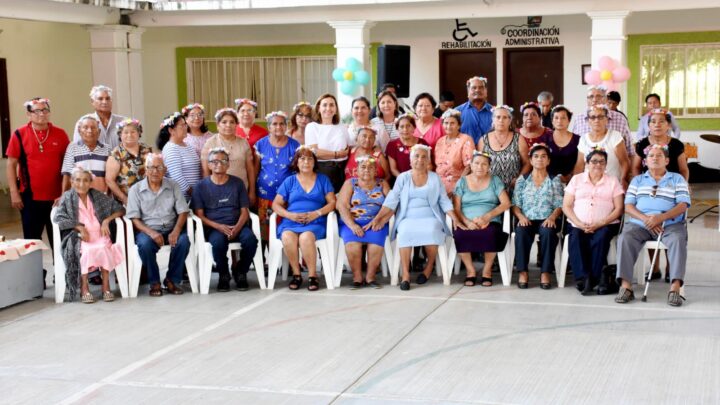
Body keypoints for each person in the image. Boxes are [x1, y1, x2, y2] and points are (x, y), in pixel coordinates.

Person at [366, 144, 461, 291]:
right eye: (417, 156)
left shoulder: (435, 178)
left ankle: (428, 268)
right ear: (411, 160)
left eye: (424, 157)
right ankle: (405, 275)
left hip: (431, 215)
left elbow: (443, 200)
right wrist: (378, 217)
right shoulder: (403, 177)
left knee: (432, 230)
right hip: (408, 216)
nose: (420, 160)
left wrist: (454, 217)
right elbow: (392, 200)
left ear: (428, 160)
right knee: (404, 231)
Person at [614, 144, 690, 307]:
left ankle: (675, 288)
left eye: (659, 156)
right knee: (625, 238)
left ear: (667, 160)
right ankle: (626, 287)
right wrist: (646, 219)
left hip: (670, 224)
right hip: (640, 223)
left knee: (678, 239)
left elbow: (683, 204)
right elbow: (628, 206)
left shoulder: (677, 179)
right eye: (651, 156)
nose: (655, 158)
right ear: (645, 161)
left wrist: (661, 217)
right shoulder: (637, 180)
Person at [6, 98, 69, 279]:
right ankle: (34, 278)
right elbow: (11, 164)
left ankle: (62, 274)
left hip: (57, 198)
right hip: (29, 197)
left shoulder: (60, 134)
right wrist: (14, 192)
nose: (41, 114)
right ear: (28, 114)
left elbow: (68, 164)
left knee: (59, 238)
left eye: (45, 110)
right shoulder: (19, 134)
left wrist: (65, 193)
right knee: (32, 241)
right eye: (36, 111)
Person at [54, 167, 125, 303]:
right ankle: (84, 288)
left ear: (90, 182)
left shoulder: (96, 195)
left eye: (86, 180)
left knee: (104, 247)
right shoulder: (67, 197)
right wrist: (79, 227)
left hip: (99, 235)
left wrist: (106, 220)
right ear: (72, 182)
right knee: (86, 251)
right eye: (78, 180)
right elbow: (59, 218)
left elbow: (120, 209)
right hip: (79, 238)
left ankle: (106, 287)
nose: (82, 184)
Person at [192, 147, 259, 292]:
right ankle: (224, 274)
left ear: (228, 164)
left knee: (251, 240)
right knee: (218, 243)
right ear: (209, 165)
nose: (218, 164)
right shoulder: (200, 186)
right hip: (214, 227)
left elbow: (244, 211)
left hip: (238, 224)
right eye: (214, 161)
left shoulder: (237, 183)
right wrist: (218, 226)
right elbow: (199, 216)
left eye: (223, 161)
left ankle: (241, 271)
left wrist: (237, 227)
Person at [271, 146, 336, 291]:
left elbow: (332, 203)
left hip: (315, 221)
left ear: (314, 162)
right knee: (287, 236)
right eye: (302, 159)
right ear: (297, 162)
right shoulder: (290, 181)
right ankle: (296, 274)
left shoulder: (323, 179)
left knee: (306, 237)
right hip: (291, 220)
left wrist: (317, 213)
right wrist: (290, 215)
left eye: (309, 158)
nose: (306, 162)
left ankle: (313, 275)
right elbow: (276, 204)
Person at [126, 153, 191, 297]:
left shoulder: (173, 185)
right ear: (146, 170)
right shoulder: (135, 189)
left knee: (183, 241)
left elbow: (183, 211)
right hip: (148, 230)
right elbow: (134, 219)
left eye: (159, 167)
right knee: (145, 245)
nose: (155, 171)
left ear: (165, 169)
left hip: (171, 228)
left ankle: (171, 280)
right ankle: (154, 281)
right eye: (151, 168)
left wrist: (176, 230)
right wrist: (151, 233)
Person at [562, 149, 624, 295]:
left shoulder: (612, 181)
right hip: (578, 224)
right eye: (594, 161)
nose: (598, 164)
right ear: (587, 163)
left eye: (601, 161)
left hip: (606, 224)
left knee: (601, 238)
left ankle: (594, 277)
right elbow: (566, 206)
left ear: (606, 164)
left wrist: (600, 223)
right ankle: (583, 278)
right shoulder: (576, 179)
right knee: (576, 238)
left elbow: (619, 208)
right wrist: (578, 222)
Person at [452, 152, 511, 287]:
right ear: (471, 165)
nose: (480, 166)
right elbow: (456, 208)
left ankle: (487, 270)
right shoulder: (462, 182)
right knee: (461, 234)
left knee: (491, 234)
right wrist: (467, 222)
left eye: (484, 164)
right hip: (466, 219)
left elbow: (506, 203)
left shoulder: (495, 180)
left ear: (489, 167)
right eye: (477, 163)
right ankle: (470, 270)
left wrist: (486, 217)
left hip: (490, 220)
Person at [512, 143, 564, 289]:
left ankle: (545, 272)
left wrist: (552, 217)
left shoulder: (555, 180)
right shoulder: (522, 180)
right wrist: (521, 217)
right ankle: (522, 271)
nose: (539, 159)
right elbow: (515, 204)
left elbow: (560, 204)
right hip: (526, 218)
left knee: (548, 233)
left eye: (543, 157)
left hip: (547, 219)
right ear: (530, 160)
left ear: (548, 160)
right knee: (521, 232)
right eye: (536, 156)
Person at [337, 156, 391, 289]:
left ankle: (370, 277)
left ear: (375, 171)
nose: (367, 170)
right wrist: (352, 225)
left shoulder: (382, 183)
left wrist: (381, 220)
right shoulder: (350, 183)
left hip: (376, 222)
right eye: (363, 167)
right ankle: (357, 277)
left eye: (370, 167)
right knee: (353, 244)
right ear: (356, 170)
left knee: (375, 244)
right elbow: (341, 205)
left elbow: (392, 204)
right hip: (352, 222)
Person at [255, 111, 300, 242]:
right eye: (274, 124)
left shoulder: (294, 145)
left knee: (286, 228)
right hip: (264, 195)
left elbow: (298, 170)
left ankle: (287, 260)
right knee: (265, 229)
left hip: (288, 195)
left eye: (282, 124)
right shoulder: (260, 144)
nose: (278, 127)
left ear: (286, 126)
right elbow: (255, 169)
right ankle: (266, 261)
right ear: (269, 127)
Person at [201, 108, 256, 205]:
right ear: (218, 125)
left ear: (236, 125)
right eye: (224, 122)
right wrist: (208, 191)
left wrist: (252, 191)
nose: (228, 125)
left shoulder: (243, 142)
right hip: (217, 191)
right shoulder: (210, 143)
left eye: (232, 122)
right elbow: (206, 171)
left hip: (241, 190)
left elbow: (250, 169)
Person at [477, 105, 530, 190]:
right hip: (490, 188)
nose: (501, 120)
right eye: (498, 117)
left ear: (510, 120)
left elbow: (527, 162)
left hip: (513, 187)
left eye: (505, 117)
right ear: (493, 120)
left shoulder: (518, 138)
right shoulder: (483, 140)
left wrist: (519, 179)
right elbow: (478, 164)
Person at [576, 105, 630, 188]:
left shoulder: (615, 136)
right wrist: (576, 183)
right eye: (593, 117)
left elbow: (624, 162)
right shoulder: (583, 139)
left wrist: (623, 180)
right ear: (589, 121)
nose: (596, 120)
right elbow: (579, 165)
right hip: (589, 185)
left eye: (600, 117)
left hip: (612, 185)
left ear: (606, 120)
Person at [571, 85, 633, 157]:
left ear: (606, 99)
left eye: (598, 96)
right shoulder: (579, 119)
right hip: (586, 166)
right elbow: (575, 147)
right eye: (591, 97)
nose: (594, 100)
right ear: (587, 100)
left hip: (615, 166)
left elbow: (630, 149)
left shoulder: (620, 118)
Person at [305, 93, 350, 193]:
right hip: (323, 170)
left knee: (340, 203)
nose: (328, 108)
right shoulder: (312, 127)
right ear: (318, 108)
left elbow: (348, 148)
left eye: (332, 105)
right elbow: (314, 152)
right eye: (325, 105)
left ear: (336, 109)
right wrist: (336, 154)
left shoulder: (342, 127)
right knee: (325, 201)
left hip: (343, 170)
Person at [105, 118, 152, 205]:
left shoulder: (147, 149)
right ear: (120, 135)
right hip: (127, 202)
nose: (129, 135)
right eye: (126, 132)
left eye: (133, 132)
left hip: (149, 199)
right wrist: (124, 199)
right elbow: (109, 180)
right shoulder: (116, 154)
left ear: (139, 133)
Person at [633, 109, 689, 180]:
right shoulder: (642, 144)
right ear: (649, 126)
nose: (657, 125)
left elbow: (683, 169)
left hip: (673, 185)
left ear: (668, 125)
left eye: (661, 121)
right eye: (653, 122)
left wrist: (683, 185)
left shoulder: (676, 144)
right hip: (648, 185)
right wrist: (639, 183)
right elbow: (636, 167)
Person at [61, 114, 110, 193]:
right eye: (85, 127)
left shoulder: (107, 149)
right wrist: (64, 196)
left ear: (99, 131)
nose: (89, 131)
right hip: (78, 197)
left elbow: (111, 177)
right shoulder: (72, 147)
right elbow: (67, 174)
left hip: (102, 198)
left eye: (93, 127)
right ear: (79, 131)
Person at [158, 112, 201, 200]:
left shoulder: (188, 145)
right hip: (182, 198)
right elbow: (177, 177)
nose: (186, 127)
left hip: (195, 196)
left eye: (185, 125)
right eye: (182, 125)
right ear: (171, 130)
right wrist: (193, 193)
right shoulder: (171, 148)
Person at [72, 85, 126, 151]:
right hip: (93, 160)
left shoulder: (123, 122)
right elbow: (77, 148)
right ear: (92, 101)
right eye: (100, 99)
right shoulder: (83, 122)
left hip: (119, 160)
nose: (105, 102)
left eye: (108, 98)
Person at [434, 109, 475, 195]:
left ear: (459, 125)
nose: (448, 126)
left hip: (458, 186)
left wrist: (457, 188)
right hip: (438, 185)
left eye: (452, 123)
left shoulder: (466, 139)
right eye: (446, 123)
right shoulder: (440, 141)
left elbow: (469, 167)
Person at [385, 114, 429, 178]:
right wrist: (404, 180)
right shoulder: (392, 145)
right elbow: (393, 170)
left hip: (421, 178)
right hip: (401, 180)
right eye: (402, 127)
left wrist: (421, 178)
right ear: (397, 129)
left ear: (414, 127)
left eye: (408, 126)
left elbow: (428, 165)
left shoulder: (422, 143)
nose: (405, 129)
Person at [546, 105, 580, 184]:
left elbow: (580, 162)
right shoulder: (545, 138)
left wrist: (570, 177)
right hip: (548, 182)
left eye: (563, 118)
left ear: (569, 120)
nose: (559, 121)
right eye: (556, 118)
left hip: (572, 181)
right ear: (552, 120)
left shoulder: (578, 140)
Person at [456, 76, 493, 144]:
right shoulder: (457, 112)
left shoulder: (495, 113)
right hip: (465, 152)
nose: (477, 90)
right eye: (474, 88)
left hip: (489, 153)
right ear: (468, 92)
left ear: (486, 91)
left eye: (481, 87)